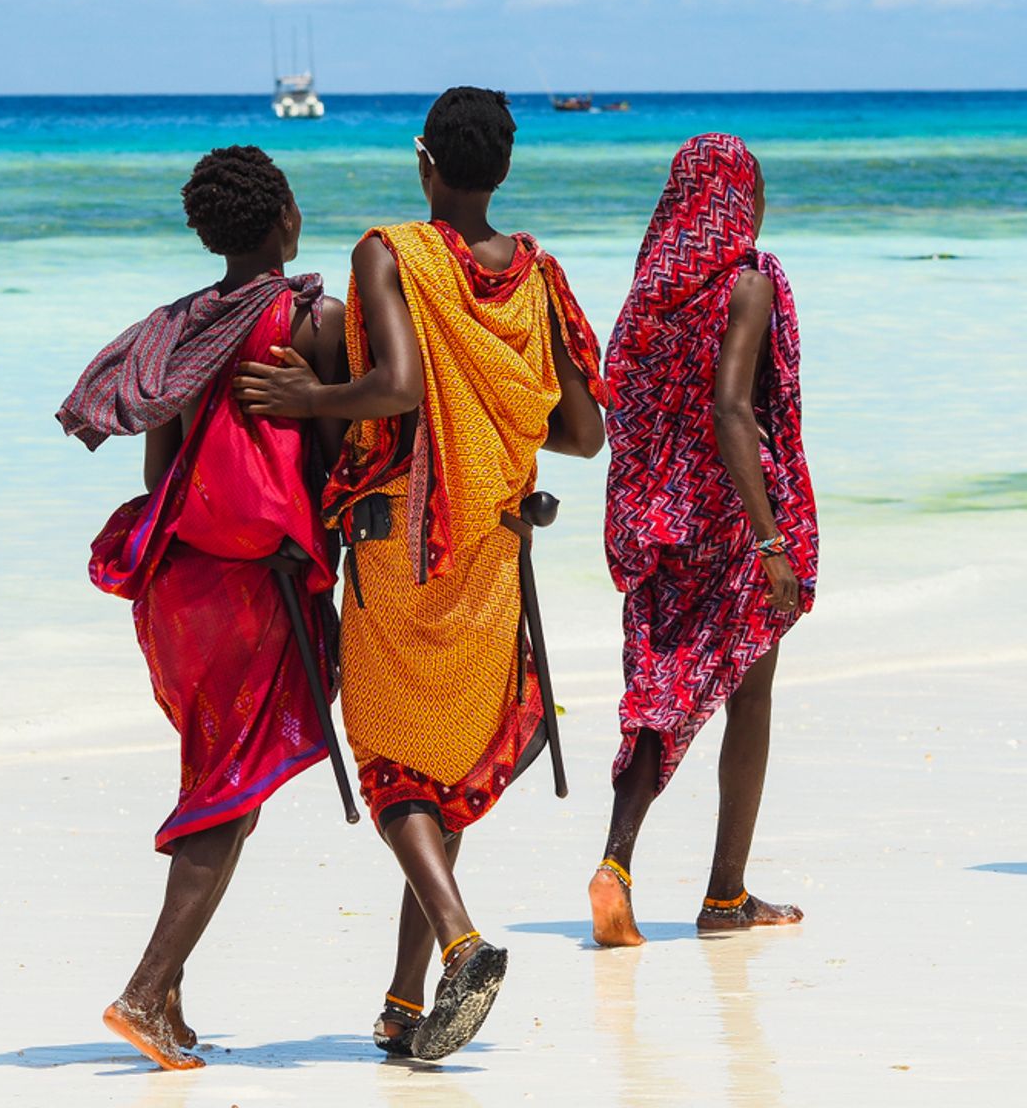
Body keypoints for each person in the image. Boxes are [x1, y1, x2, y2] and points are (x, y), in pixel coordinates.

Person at [235, 87, 608, 1060]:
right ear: (504, 167)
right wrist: (496, 446)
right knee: (440, 762)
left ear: (423, 161)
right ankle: (407, 1005)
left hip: (404, 539)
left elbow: (397, 385)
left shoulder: (389, 254)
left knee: (393, 758)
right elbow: (581, 430)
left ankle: (462, 941)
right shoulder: (534, 274)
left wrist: (309, 395)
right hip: (493, 545)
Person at [56, 146, 347, 1069]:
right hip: (256, 585)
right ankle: (144, 992)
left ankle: (172, 1004)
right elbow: (337, 462)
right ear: (287, 220)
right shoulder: (312, 319)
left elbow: (159, 469)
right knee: (228, 792)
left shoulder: (183, 326)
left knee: (219, 775)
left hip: (178, 587)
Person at [588, 133, 819, 948]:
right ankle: (726, 896)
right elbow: (732, 409)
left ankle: (615, 862)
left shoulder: (645, 304)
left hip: (658, 527)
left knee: (657, 690)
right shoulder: (745, 288)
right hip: (730, 526)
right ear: (737, 198)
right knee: (746, 698)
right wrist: (770, 542)